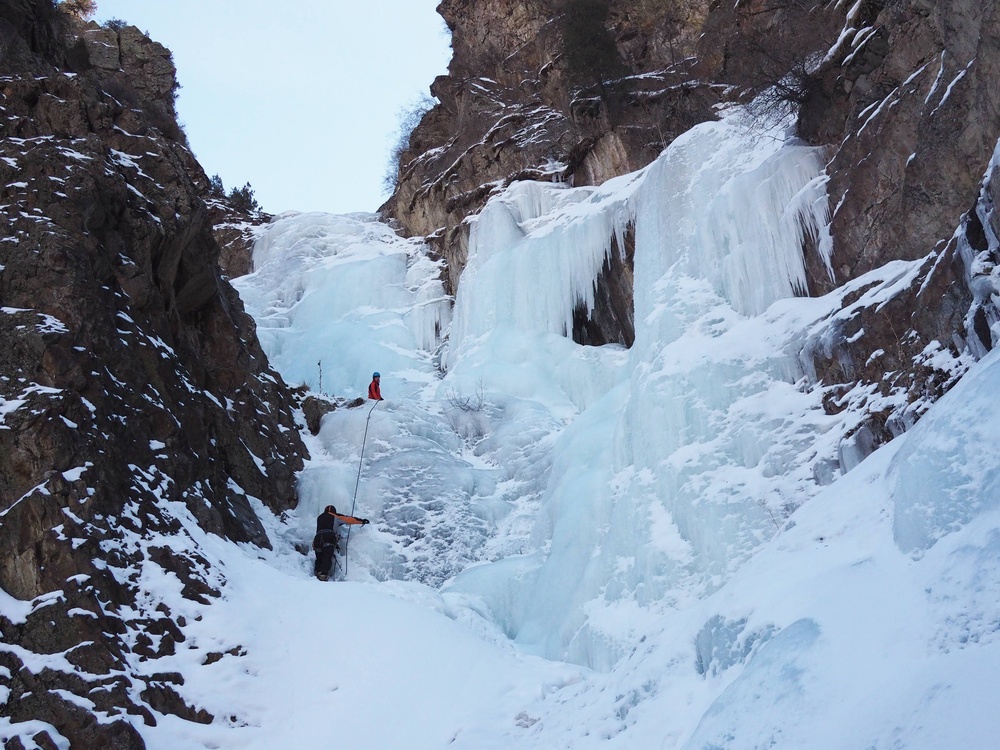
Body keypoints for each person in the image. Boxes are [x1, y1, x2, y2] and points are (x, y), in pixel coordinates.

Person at [313, 505, 370, 581]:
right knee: (327, 556)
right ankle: (323, 575)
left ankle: (317, 573)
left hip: (317, 538)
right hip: (328, 536)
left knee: (319, 557)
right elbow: (349, 519)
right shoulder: (335, 516)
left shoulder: (319, 517)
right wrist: (362, 521)